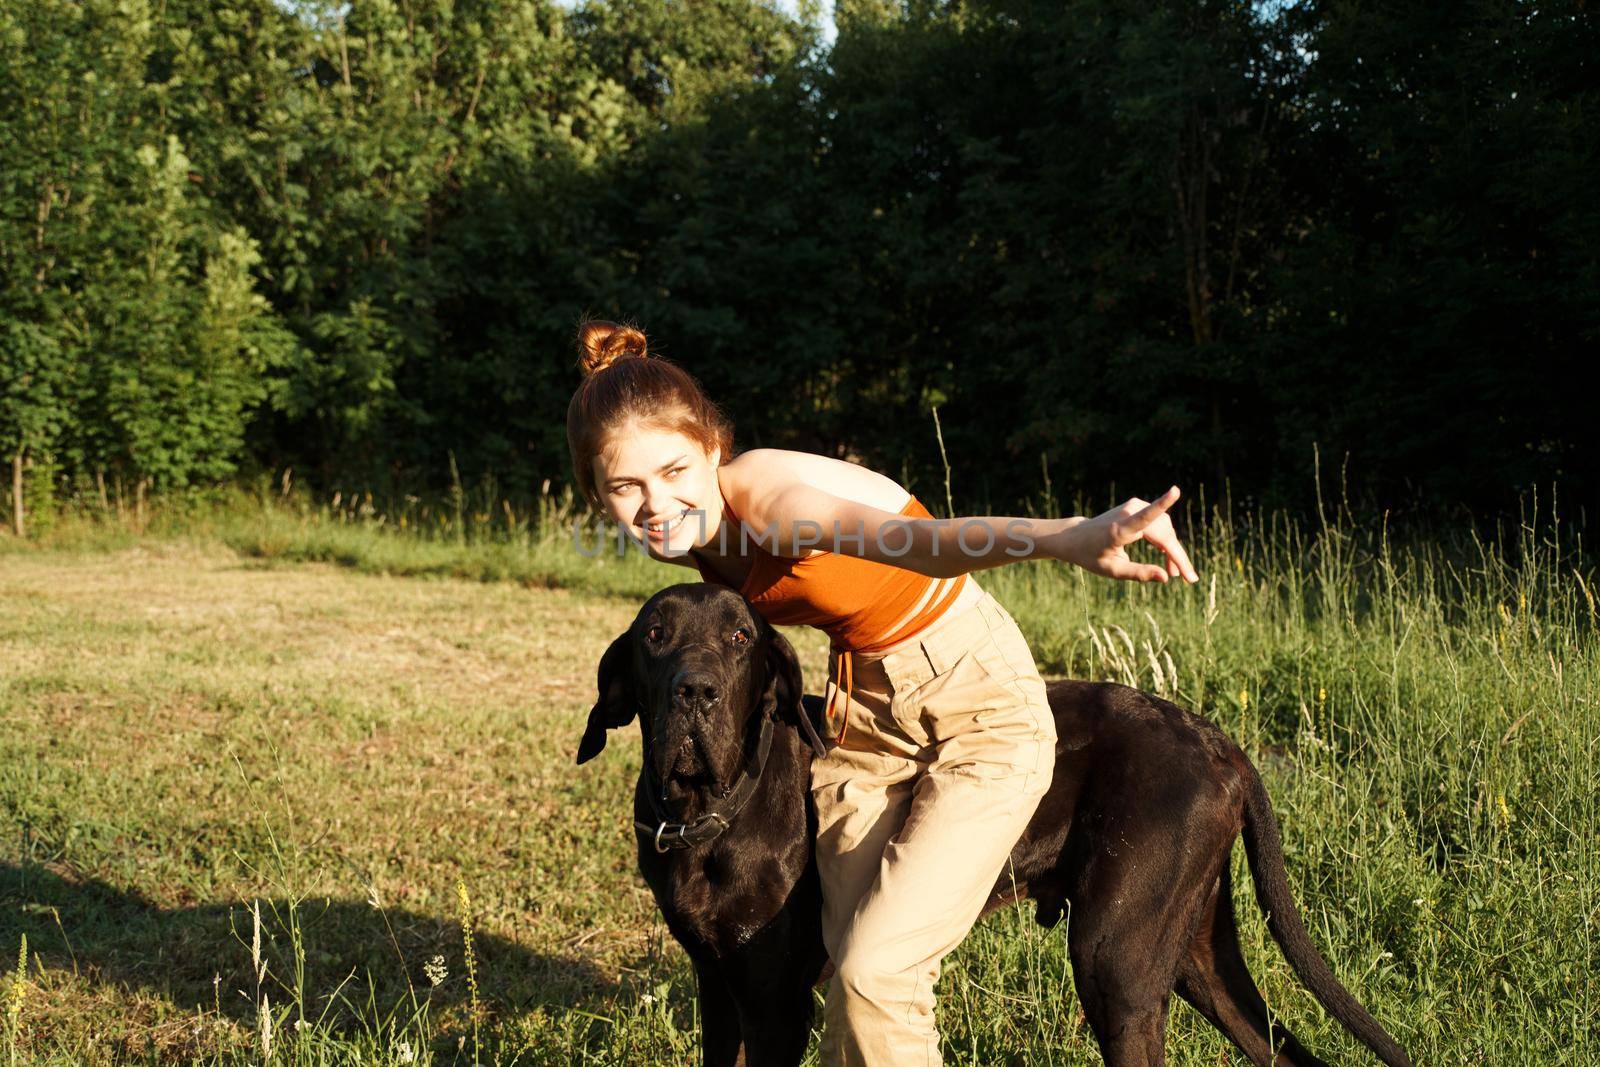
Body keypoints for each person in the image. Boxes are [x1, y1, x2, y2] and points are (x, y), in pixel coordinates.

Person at [565, 319, 1198, 1067]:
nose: (655, 504)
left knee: (877, 971)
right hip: (863, 702)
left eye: (672, 471)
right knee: (841, 957)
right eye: (625, 486)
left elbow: (923, 543)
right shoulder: (700, 547)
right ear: (596, 494)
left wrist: (1064, 537)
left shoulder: (770, 501)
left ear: (711, 449)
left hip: (969, 689)